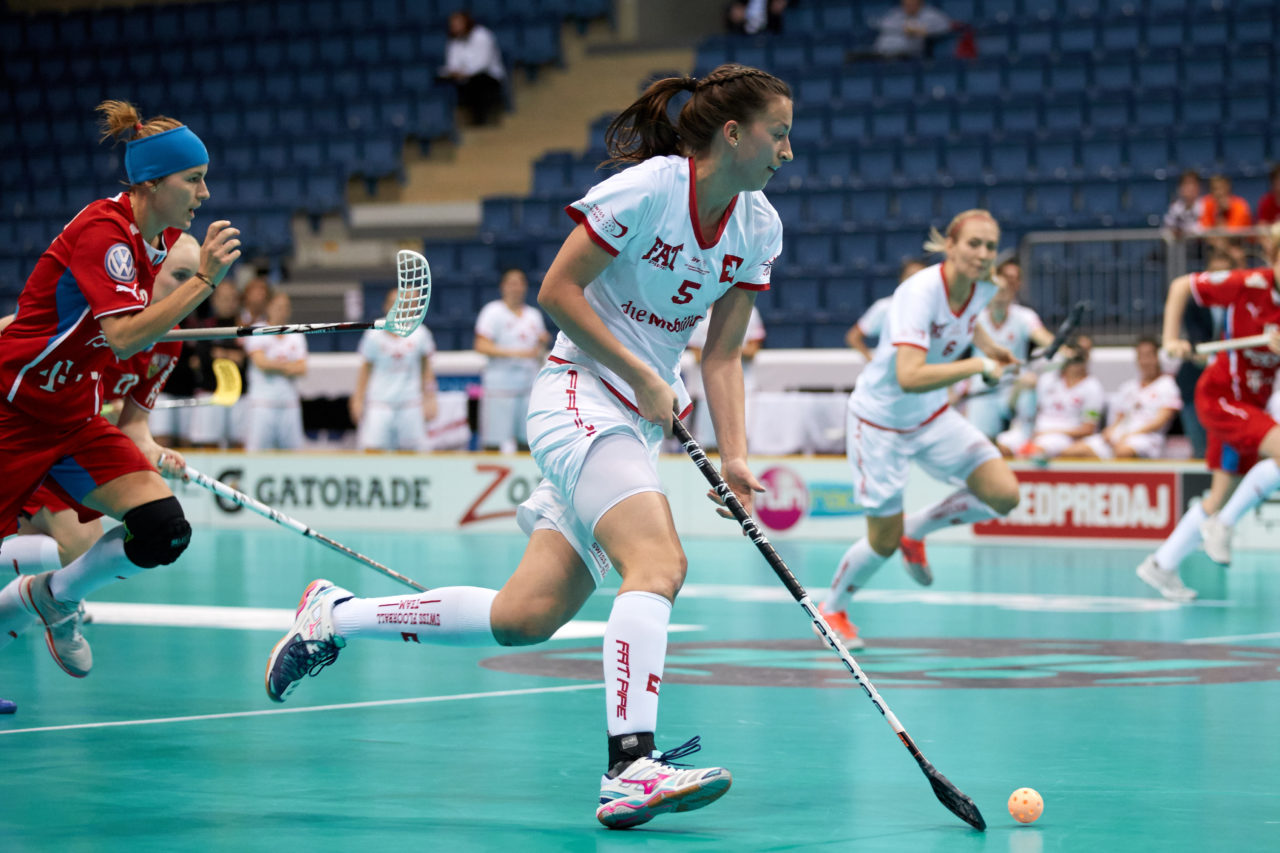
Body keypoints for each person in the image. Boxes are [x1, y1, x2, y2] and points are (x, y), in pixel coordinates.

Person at [263, 64, 792, 828]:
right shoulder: (647, 189)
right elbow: (557, 292)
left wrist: (735, 453)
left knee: (525, 616)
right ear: (734, 133)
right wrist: (640, 371)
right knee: (660, 563)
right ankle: (629, 767)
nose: (788, 151)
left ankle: (333, 616)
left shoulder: (758, 225)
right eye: (778, 133)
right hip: (578, 393)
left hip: (636, 418)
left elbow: (721, 355)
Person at [0, 100, 240, 677]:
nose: (204, 194)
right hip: (13, 411)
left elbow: (136, 343)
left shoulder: (154, 243)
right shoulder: (104, 232)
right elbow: (125, 337)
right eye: (194, 179)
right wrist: (204, 281)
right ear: (151, 184)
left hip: (73, 422)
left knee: (164, 531)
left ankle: (53, 597)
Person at [819, 210, 1021, 649]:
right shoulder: (918, 293)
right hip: (881, 423)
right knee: (883, 542)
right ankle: (832, 609)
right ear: (950, 246)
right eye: (974, 244)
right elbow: (909, 374)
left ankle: (919, 529)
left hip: (931, 416)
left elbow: (969, 323)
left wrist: (992, 349)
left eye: (990, 246)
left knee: (1004, 494)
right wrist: (979, 366)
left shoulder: (985, 284)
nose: (983, 254)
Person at [0, 235, 197, 584]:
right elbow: (16, 333)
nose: (190, 292)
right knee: (77, 545)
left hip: (71, 444)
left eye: (196, 280)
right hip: (23, 428)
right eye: (180, 276)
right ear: (147, 273)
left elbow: (135, 426)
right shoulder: (97, 313)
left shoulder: (170, 343)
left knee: (152, 532)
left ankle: (52, 605)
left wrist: (155, 452)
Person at [1137, 230, 1280, 601]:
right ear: (1272, 258)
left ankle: (1161, 564)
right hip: (1221, 396)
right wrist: (1171, 340)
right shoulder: (1249, 283)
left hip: (1252, 405)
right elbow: (1181, 286)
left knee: (1218, 496)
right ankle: (1225, 524)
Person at [954, 257, 1055, 440]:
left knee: (1028, 386)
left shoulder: (1025, 317)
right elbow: (950, 352)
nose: (1000, 295)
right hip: (983, 388)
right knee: (980, 441)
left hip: (1014, 385)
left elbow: (1045, 339)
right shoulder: (974, 318)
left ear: (1011, 293)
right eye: (996, 291)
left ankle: (1024, 441)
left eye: (1004, 291)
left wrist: (1064, 350)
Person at [1059, 336, 1182, 459]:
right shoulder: (1128, 387)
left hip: (1147, 438)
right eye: (1141, 356)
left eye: (1148, 356)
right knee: (1071, 452)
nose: (1145, 361)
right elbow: (1119, 417)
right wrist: (1110, 431)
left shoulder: (1167, 385)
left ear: (1157, 357)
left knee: (1122, 452)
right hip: (1120, 436)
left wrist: (1130, 434)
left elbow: (1161, 420)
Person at [350, 289, 438, 451]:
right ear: (386, 306)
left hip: (410, 402)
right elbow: (365, 370)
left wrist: (430, 398)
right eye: (393, 303)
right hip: (379, 403)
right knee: (372, 450)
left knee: (412, 452)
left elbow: (427, 370)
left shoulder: (421, 333)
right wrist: (357, 399)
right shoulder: (373, 334)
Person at [473, 268, 549, 453]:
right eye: (512, 283)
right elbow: (481, 345)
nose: (516, 287)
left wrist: (542, 342)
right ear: (503, 287)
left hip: (527, 387)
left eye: (520, 283)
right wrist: (517, 353)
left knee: (527, 441)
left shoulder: (533, 315)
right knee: (493, 441)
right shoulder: (492, 312)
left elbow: (537, 351)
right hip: (500, 388)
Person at [995, 334, 1104, 461]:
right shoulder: (1047, 378)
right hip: (1033, 430)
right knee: (998, 447)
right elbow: (1024, 410)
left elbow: (1088, 429)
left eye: (1084, 353)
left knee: (1033, 452)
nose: (1078, 357)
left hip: (1061, 436)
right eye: (1076, 351)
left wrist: (1049, 432)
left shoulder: (1093, 387)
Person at [685, 302, 765, 449]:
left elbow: (752, 351)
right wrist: (727, 349)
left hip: (743, 389)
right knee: (708, 443)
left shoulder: (749, 312)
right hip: (707, 391)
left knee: (742, 441)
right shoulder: (699, 314)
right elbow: (697, 356)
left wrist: (719, 349)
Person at [186, 280, 247, 449]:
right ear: (214, 301)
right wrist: (231, 355)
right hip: (211, 393)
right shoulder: (205, 326)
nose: (228, 302)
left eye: (232, 298)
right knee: (209, 445)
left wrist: (219, 353)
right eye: (224, 298)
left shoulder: (245, 326)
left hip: (239, 395)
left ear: (238, 301)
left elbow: (245, 359)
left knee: (239, 445)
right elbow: (204, 357)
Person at [243, 291, 307, 451]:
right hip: (262, 404)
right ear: (269, 307)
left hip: (289, 404)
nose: (282, 311)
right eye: (278, 307)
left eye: (286, 307)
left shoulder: (296, 333)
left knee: (292, 454)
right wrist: (287, 366)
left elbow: (302, 368)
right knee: (257, 453)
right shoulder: (257, 330)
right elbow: (261, 363)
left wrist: (275, 365)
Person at [845, 258, 926, 361]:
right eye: (910, 276)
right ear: (901, 279)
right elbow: (853, 336)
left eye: (921, 276)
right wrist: (872, 361)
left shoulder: (938, 308)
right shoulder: (885, 307)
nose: (915, 281)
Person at [440, 10, 507, 127]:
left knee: (477, 82)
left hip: (488, 76)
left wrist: (465, 73)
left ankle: (481, 121)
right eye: (453, 24)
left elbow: (483, 63)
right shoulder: (453, 41)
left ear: (466, 22)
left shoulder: (482, 35)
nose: (454, 26)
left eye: (458, 23)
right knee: (441, 81)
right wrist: (455, 72)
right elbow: (452, 63)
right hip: (465, 77)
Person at [871, 0, 952, 59]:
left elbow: (945, 27)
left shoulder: (932, 15)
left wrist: (919, 30)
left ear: (920, 3)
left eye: (912, 4)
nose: (908, 6)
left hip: (912, 51)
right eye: (906, 4)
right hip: (882, 51)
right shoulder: (895, 13)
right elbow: (884, 26)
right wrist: (903, 28)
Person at [1161, 170, 1204, 239]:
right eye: (1186, 184)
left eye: (1193, 184)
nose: (1190, 188)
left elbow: (1205, 228)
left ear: (1198, 187)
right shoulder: (1175, 208)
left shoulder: (1205, 205)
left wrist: (1186, 231)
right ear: (1180, 188)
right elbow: (1166, 228)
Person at [725, 0, 789, 35]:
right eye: (735, 16)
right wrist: (774, 12)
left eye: (735, 11)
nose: (737, 14)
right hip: (779, 21)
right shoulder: (748, 29)